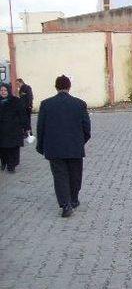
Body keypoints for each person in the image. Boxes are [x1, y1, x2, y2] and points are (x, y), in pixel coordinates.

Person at [36, 75, 91, 217]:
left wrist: (41, 146)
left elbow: (40, 128)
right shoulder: (80, 104)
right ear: (69, 87)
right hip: (75, 147)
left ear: (56, 87)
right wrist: (80, 141)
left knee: (60, 176)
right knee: (75, 175)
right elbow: (87, 129)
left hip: (54, 148)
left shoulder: (46, 104)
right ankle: (73, 199)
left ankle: (65, 205)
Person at [0, 83, 28, 173]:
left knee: (13, 149)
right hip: (2, 131)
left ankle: (12, 166)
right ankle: (4, 162)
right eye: (1, 90)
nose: (3, 92)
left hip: (14, 130)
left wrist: (26, 127)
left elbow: (22, 114)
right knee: (3, 149)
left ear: (8, 90)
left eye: (5, 90)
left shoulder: (15, 101)